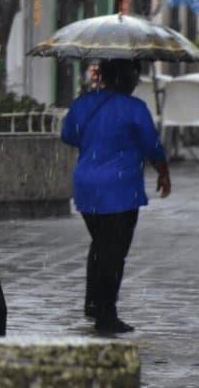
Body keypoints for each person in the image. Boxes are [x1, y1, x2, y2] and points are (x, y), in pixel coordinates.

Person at [61, 59, 171, 334]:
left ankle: (95, 305)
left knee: (100, 245)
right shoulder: (134, 109)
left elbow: (69, 135)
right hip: (120, 189)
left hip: (87, 186)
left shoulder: (83, 104)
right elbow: (152, 146)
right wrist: (163, 172)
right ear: (127, 77)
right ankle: (106, 314)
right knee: (114, 252)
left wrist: (97, 144)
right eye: (135, 75)